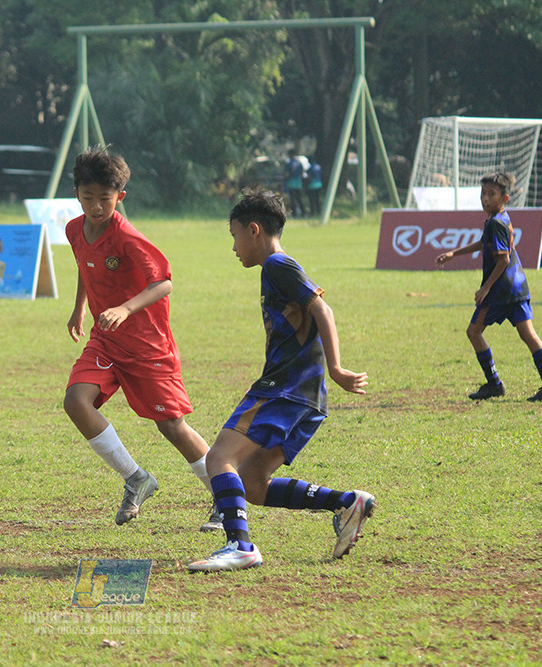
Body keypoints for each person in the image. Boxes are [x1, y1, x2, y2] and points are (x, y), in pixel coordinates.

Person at [188, 189, 374, 572]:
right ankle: (346, 502)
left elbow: (323, 309)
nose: (234, 247)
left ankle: (239, 545)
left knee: (219, 457)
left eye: (235, 235)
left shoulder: (277, 265)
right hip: (306, 395)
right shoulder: (277, 269)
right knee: (254, 483)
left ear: (254, 230)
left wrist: (337, 368)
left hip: (286, 387)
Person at [63, 146, 220, 531]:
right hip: (106, 340)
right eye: (88, 198)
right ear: (77, 195)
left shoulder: (128, 237)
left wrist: (125, 309)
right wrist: (79, 306)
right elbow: (86, 266)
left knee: (171, 426)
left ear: (120, 197)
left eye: (105, 198)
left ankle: (224, 496)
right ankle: (136, 478)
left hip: (146, 344)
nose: (96, 206)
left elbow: (163, 282)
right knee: (76, 402)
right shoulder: (73, 229)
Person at [436, 172, 542, 402]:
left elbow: (502, 260)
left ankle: (494, 384)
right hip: (518, 286)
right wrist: (454, 253)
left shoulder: (495, 222)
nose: (485, 198)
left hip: (501, 291)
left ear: (504, 198)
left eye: (491, 194)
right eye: (483, 194)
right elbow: (485, 242)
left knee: (473, 332)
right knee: (527, 334)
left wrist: (485, 289)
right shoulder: (500, 218)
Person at [283, 151, 306, 217]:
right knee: (299, 199)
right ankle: (303, 212)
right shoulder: (299, 163)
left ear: (290, 155)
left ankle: (294, 214)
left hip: (291, 184)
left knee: (292, 199)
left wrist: (284, 179)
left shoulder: (289, 163)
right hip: (298, 184)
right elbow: (302, 173)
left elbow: (287, 174)